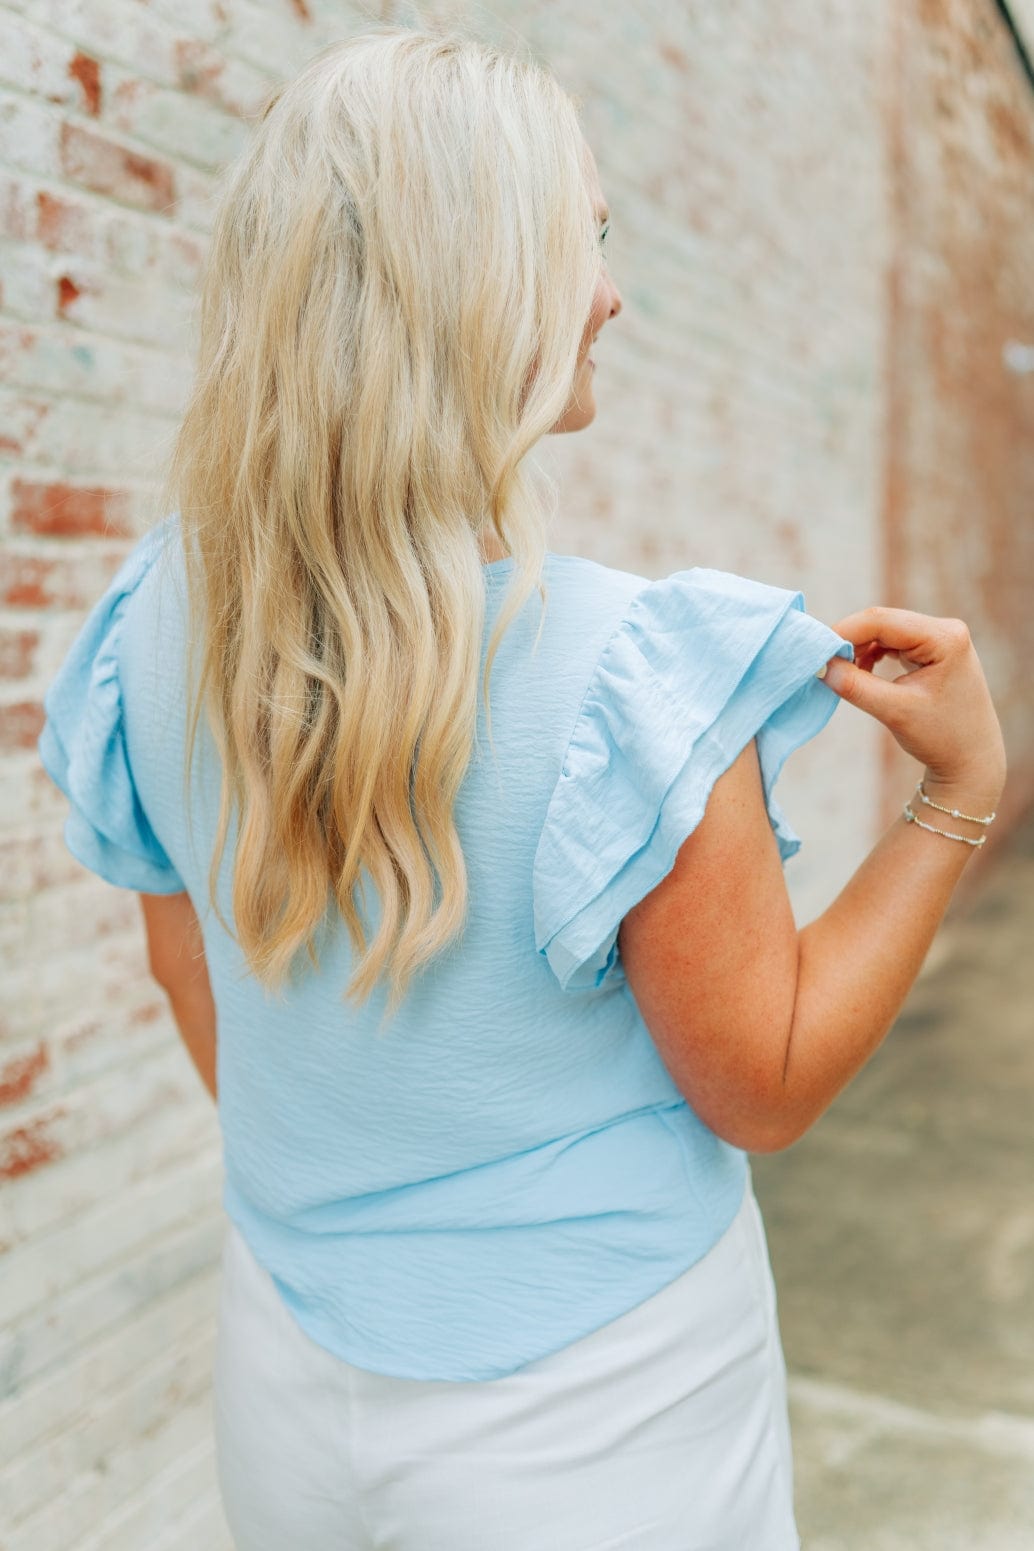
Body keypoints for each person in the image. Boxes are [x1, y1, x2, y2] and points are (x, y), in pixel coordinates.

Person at [37, 25, 1006, 1551]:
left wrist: (375, 1183)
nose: (612, 292)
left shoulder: (155, 623)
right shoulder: (632, 673)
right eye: (584, 243)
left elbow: (191, 973)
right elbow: (762, 1085)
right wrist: (959, 789)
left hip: (284, 1378)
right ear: (477, 288)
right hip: (602, 1416)